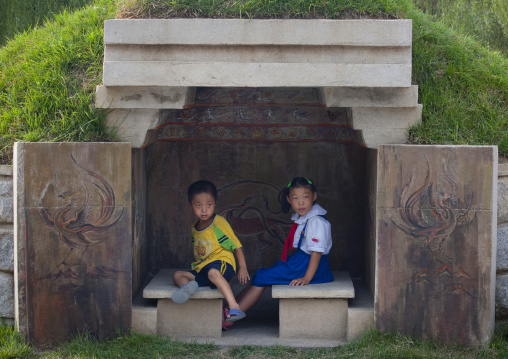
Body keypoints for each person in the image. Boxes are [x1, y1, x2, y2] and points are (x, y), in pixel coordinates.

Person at [234, 177, 334, 314]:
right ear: (288, 199)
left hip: (307, 266)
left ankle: (230, 317)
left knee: (262, 278)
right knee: (259, 275)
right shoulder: (304, 218)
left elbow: (316, 253)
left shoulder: (316, 221)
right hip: (299, 261)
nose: (300, 202)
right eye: (295, 198)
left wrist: (307, 278)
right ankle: (231, 308)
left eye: (305, 197)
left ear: (314, 196)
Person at [171, 180, 250, 324]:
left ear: (215, 203)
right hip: (204, 267)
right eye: (198, 205)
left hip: (222, 263)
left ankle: (234, 307)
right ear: (191, 206)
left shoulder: (218, 223)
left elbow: (236, 246)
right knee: (178, 275)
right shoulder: (194, 227)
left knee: (213, 272)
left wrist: (243, 267)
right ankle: (187, 288)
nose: (204, 210)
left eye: (209, 204)